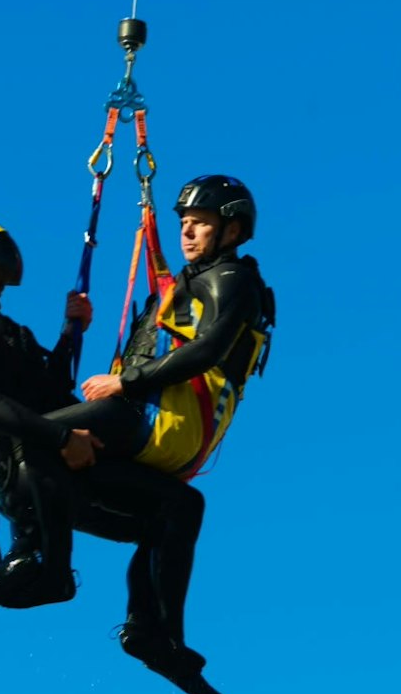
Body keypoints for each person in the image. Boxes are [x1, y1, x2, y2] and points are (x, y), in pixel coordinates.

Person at [0, 217, 222, 694]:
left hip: (57, 466)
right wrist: (61, 437)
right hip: (31, 471)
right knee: (116, 423)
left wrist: (74, 330)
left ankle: (154, 636)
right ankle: (33, 564)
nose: (0, 291)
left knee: (180, 507)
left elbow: (46, 388)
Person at [59, 175, 276, 477]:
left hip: (166, 424)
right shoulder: (180, 290)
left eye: (200, 223)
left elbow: (207, 350)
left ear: (233, 230)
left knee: (34, 433)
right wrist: (73, 328)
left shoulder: (232, 279)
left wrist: (123, 382)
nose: (186, 231)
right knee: (43, 462)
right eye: (184, 222)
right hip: (156, 423)